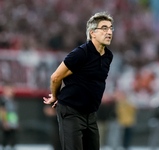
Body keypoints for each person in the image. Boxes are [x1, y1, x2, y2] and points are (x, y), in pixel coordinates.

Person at [43, 11, 114, 150]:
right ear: (92, 32)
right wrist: (55, 96)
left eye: (111, 28)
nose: (109, 32)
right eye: (104, 28)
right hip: (71, 111)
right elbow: (56, 77)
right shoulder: (81, 53)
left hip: (91, 114)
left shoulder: (108, 56)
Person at [0, 83, 19, 150]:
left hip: (13, 122)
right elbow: (3, 111)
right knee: (6, 136)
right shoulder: (3, 100)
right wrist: (5, 122)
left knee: (13, 137)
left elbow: (13, 113)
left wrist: (16, 123)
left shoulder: (13, 100)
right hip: (7, 122)